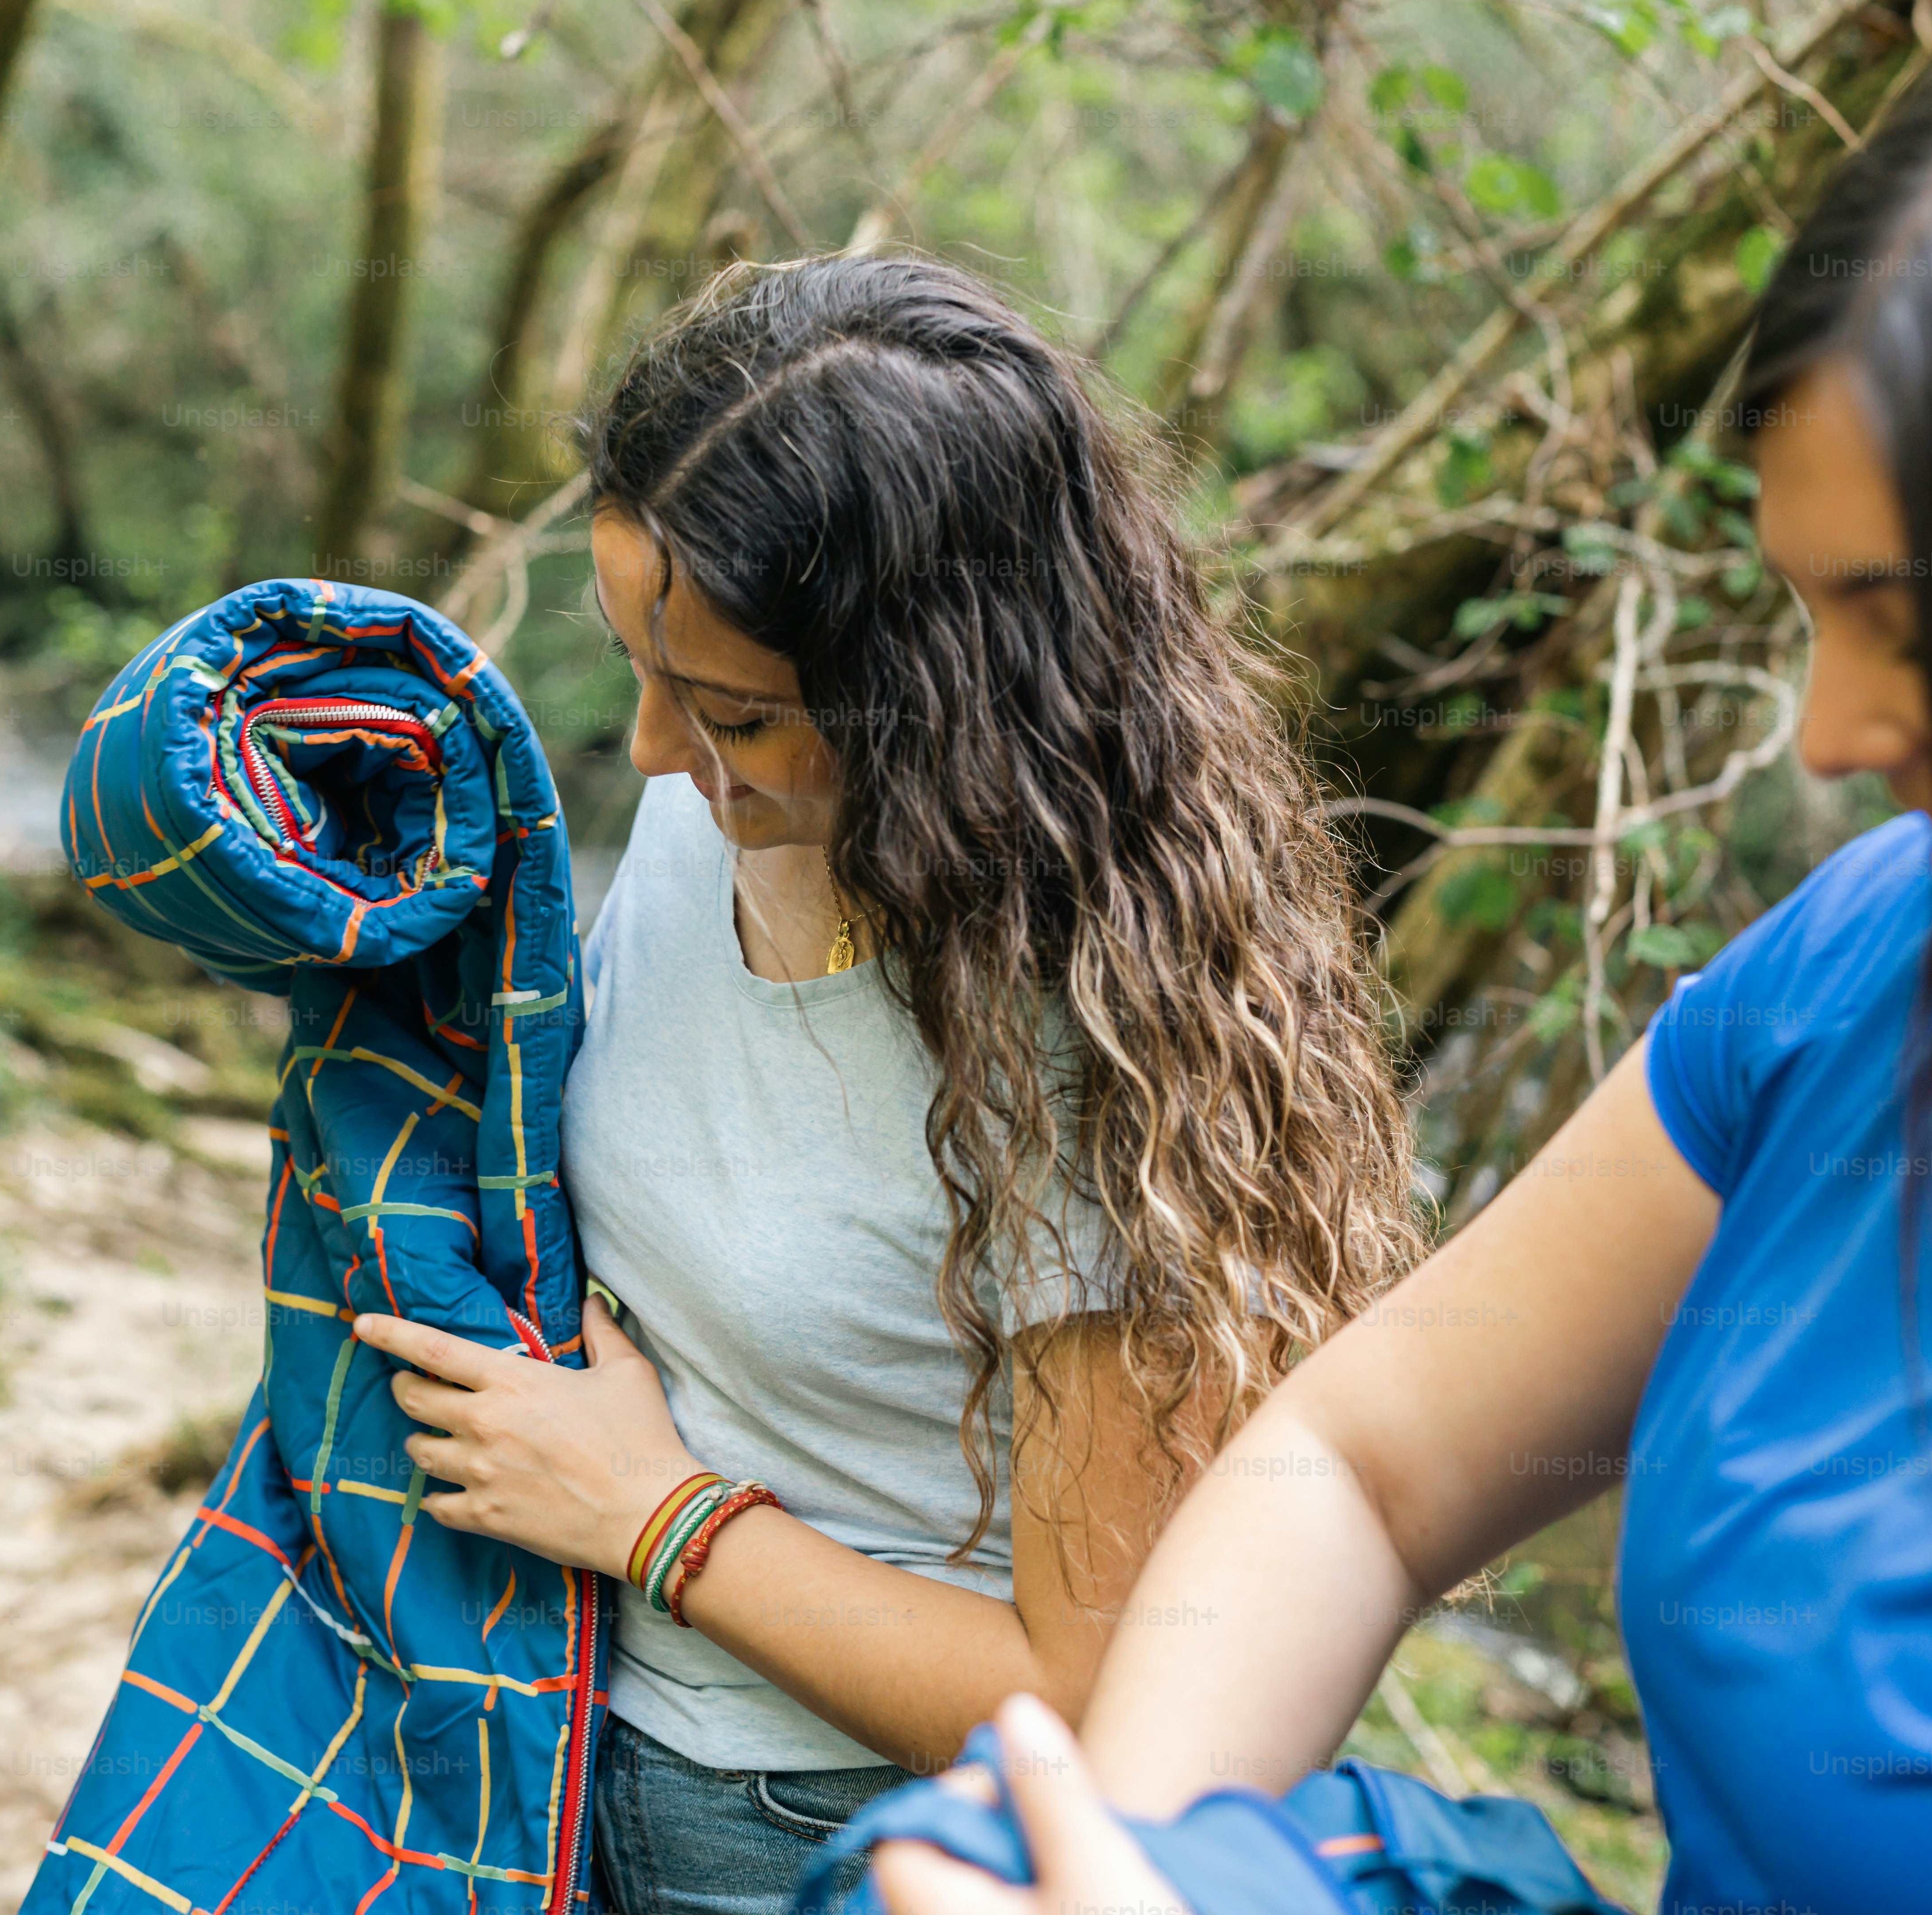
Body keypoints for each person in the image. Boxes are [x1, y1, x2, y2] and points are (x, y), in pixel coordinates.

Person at [879, 0, 1932, 1915]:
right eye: (1813, 613)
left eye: (1911, 628)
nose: (1830, 735)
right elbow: (1378, 1460)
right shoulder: (1885, 957)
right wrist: (1116, 1861)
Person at [344, 253, 1422, 1914]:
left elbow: (1085, 1702)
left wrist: (657, 1516)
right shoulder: (720, 805)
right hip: (540, 1741)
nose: (647, 753)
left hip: (816, 1832)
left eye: (726, 711)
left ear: (929, 702)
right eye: (637, 661)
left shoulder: (1079, 1051)